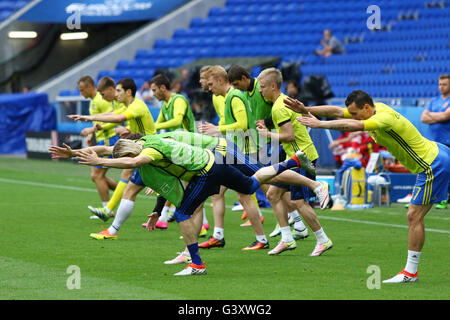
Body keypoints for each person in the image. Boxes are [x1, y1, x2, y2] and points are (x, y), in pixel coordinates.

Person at [49, 134, 329, 276]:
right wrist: (74, 153)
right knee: (253, 184)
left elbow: (131, 161)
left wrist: (99, 162)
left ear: (134, 147)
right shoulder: (145, 142)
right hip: (215, 163)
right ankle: (292, 162)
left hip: (208, 171)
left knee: (184, 211)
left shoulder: (147, 151)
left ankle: (196, 263)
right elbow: (112, 151)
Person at [284, 89, 450, 283]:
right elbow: (337, 112)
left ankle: (410, 273)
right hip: (438, 152)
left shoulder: (384, 118)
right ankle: (410, 273)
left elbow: (354, 125)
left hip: (431, 164)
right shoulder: (373, 108)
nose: (352, 115)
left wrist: (319, 124)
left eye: (355, 113)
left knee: (413, 215)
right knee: (415, 215)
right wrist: (306, 108)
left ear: (366, 107)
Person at [255, 68, 333, 256]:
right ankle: (287, 239)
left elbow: (289, 136)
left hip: (302, 157)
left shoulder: (279, 107)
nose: (260, 91)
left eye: (263, 87)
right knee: (273, 194)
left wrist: (267, 134)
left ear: (274, 86)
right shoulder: (282, 103)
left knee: (298, 202)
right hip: (296, 156)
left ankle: (323, 240)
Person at [198, 65, 268, 250]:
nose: (209, 87)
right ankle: (218, 236)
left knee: (263, 192)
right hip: (233, 151)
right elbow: (229, 122)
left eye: (211, 83)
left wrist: (217, 130)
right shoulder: (226, 97)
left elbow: (243, 124)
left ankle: (274, 233)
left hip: (244, 151)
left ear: (221, 81)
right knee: (217, 193)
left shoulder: (235, 96)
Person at [68, 78, 156, 221]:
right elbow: (114, 115)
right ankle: (110, 212)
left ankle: (170, 214)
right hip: (139, 146)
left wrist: (89, 121)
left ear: (128, 92)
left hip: (150, 147)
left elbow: (117, 117)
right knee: (130, 180)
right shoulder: (128, 106)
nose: (116, 94)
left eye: (119, 90)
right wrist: (89, 119)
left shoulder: (136, 106)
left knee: (162, 183)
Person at [76, 76, 119, 211]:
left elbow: (112, 118)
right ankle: (125, 192)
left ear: (90, 87)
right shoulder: (94, 101)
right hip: (102, 138)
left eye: (82, 90)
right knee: (97, 176)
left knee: (97, 175)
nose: (81, 93)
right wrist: (91, 134)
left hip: (109, 138)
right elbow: (99, 121)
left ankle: (107, 210)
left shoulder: (102, 99)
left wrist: (93, 129)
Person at [420, 74, 450, 209]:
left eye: (444, 84)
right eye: (439, 84)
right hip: (432, 141)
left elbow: (446, 115)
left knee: (447, 170)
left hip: (447, 141)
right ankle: (429, 197)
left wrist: (431, 116)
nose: (441, 87)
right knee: (429, 170)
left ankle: (445, 199)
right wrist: (440, 116)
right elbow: (423, 118)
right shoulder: (434, 100)